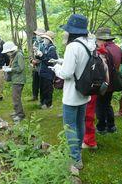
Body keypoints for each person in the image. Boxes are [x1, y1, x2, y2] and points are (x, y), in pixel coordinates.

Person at [52, 14, 96, 175]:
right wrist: (64, 62)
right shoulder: (90, 44)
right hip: (85, 92)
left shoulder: (72, 47)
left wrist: (57, 68)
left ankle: (75, 159)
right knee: (80, 124)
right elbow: (81, 65)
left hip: (72, 95)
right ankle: (77, 152)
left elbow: (67, 73)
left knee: (70, 127)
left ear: (71, 31)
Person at [95, 28, 122, 134]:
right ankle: (111, 126)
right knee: (107, 104)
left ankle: (101, 127)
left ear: (102, 39)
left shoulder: (102, 50)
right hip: (113, 82)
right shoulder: (117, 48)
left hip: (103, 82)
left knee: (100, 104)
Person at [83, 42, 110, 149]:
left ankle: (90, 142)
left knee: (88, 115)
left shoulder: (95, 57)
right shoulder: (102, 55)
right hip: (96, 88)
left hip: (91, 89)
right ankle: (88, 138)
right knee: (89, 114)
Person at [2, 41, 26, 122]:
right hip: (15, 79)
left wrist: (11, 69)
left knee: (16, 98)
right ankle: (16, 112)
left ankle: (20, 115)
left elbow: (21, 68)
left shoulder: (19, 55)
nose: (6, 54)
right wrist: (7, 68)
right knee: (14, 97)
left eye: (6, 52)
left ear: (10, 51)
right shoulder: (14, 56)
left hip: (19, 80)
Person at [35, 31, 58, 109]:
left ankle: (48, 104)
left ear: (49, 40)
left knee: (48, 89)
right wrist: (37, 54)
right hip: (42, 71)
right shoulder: (44, 46)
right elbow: (41, 58)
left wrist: (42, 55)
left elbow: (50, 61)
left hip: (49, 72)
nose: (44, 39)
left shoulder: (52, 48)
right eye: (44, 38)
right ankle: (42, 102)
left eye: (46, 38)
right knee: (42, 88)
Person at [29, 28, 45, 101]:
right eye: (36, 34)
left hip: (42, 66)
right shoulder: (35, 42)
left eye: (38, 34)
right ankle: (34, 96)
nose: (37, 35)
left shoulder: (45, 43)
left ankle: (43, 99)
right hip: (35, 66)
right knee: (34, 81)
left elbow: (45, 56)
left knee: (42, 82)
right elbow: (32, 53)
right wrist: (31, 60)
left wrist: (37, 61)